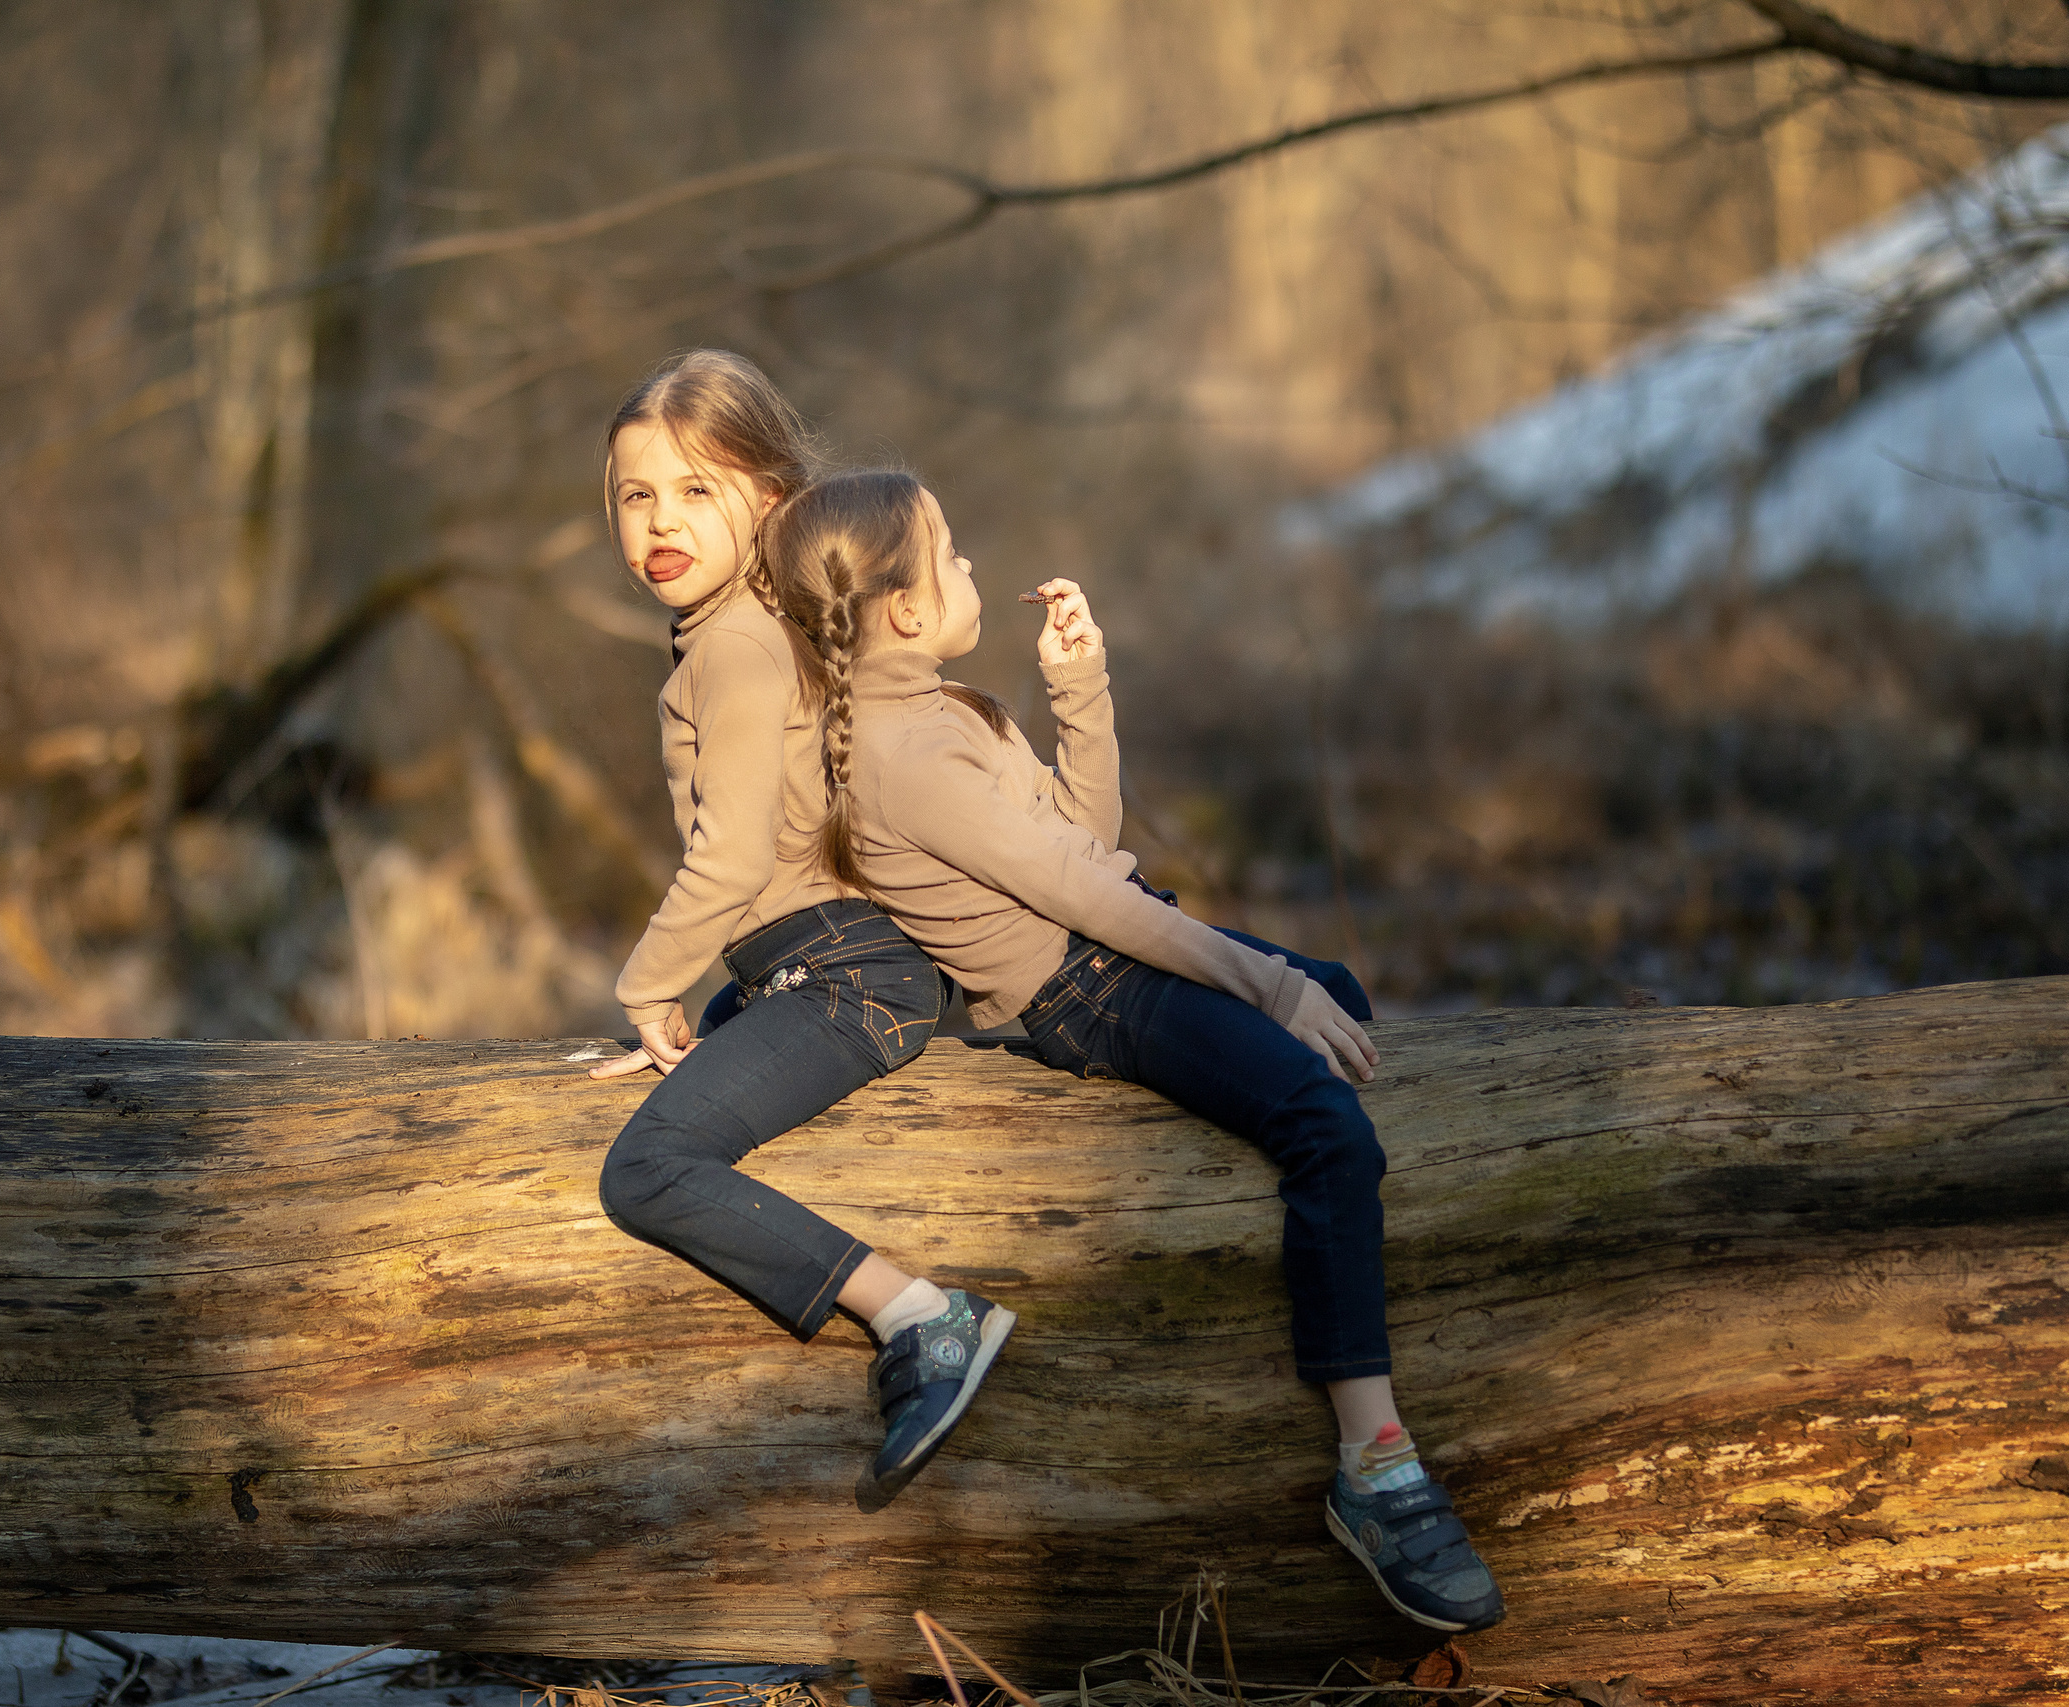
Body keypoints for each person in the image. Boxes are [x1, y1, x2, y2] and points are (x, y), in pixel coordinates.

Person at [763, 467, 1504, 1633]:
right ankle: (1376, 1464)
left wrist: (1079, 689)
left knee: (1338, 997)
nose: (969, 570)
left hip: (1113, 947)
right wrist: (1257, 980)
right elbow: (1089, 901)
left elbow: (1089, 842)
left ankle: (1346, 1276)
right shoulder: (902, 760)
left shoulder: (948, 714)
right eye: (949, 555)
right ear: (900, 609)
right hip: (1092, 991)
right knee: (1324, 1125)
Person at [584, 352, 1014, 1506]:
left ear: (771, 499)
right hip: (824, 968)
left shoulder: (729, 645)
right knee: (683, 1089)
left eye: (695, 491)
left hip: (842, 975)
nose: (659, 522)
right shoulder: (773, 621)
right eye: (636, 496)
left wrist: (646, 986)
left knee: (650, 1168)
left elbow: (727, 855)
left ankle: (923, 1319)